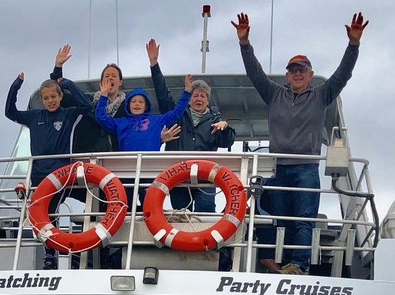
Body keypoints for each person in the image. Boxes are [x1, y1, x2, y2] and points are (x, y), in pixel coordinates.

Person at [234, 11, 368, 274]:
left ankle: (300, 265)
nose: (297, 74)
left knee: (303, 221)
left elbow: (343, 75)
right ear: (287, 75)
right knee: (281, 220)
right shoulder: (274, 94)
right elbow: (254, 73)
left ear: (310, 74)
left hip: (306, 167)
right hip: (277, 167)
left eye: (302, 70)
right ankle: (282, 265)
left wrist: (353, 44)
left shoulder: (321, 95)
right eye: (293, 70)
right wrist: (244, 43)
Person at [5, 68, 95, 270]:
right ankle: (50, 252)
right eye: (46, 98)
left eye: (54, 96)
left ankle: (53, 252)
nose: (50, 100)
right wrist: (15, 86)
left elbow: (87, 106)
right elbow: (9, 112)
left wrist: (68, 83)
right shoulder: (34, 116)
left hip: (61, 172)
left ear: (60, 96)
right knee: (44, 214)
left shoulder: (69, 114)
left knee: (53, 212)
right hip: (38, 174)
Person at [146, 39, 236, 212]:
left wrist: (225, 128)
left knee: (206, 211)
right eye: (195, 95)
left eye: (203, 96)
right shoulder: (177, 115)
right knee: (180, 216)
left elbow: (227, 142)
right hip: (178, 177)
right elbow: (163, 95)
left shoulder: (214, 120)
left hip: (206, 177)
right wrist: (154, 65)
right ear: (189, 98)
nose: (199, 99)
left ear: (207, 100)